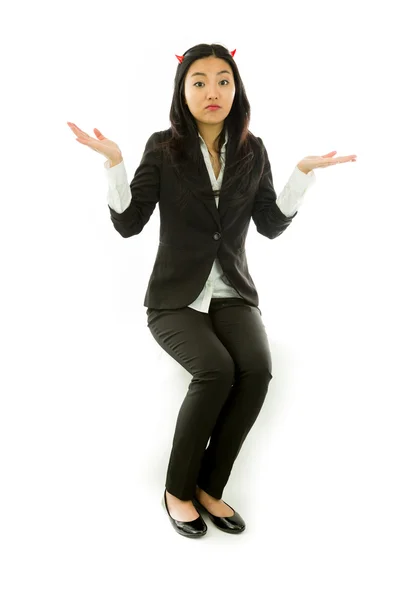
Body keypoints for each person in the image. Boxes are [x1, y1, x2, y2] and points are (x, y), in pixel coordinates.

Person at [67, 43, 356, 539]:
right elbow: (128, 224)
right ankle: (177, 489)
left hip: (233, 293)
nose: (212, 91)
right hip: (174, 299)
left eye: (223, 80)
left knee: (257, 371)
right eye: (198, 81)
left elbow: (269, 224)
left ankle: (209, 487)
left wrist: (301, 175)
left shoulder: (253, 148)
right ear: (182, 91)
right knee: (216, 369)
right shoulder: (163, 146)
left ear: (236, 89)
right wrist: (113, 162)